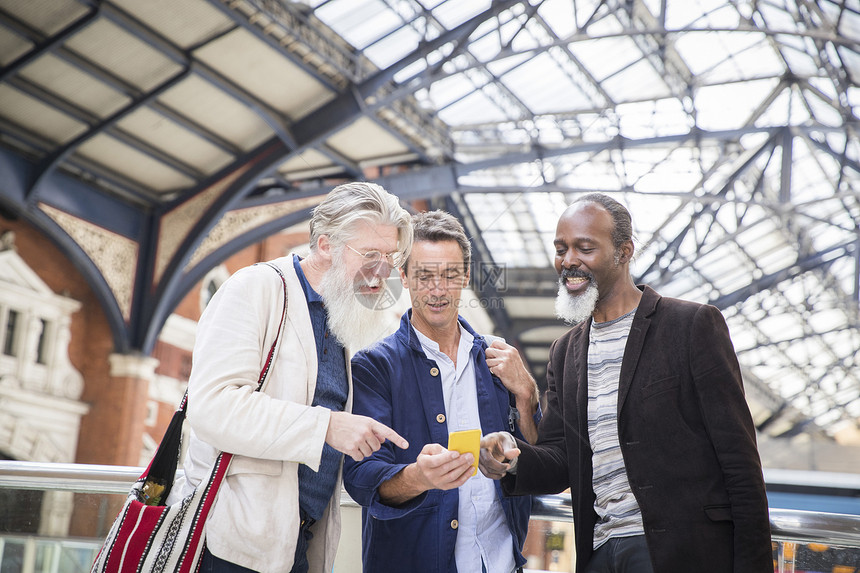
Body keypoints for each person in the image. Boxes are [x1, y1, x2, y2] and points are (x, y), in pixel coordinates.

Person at [479, 193, 773, 573]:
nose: (569, 261)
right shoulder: (565, 352)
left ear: (624, 251)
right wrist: (510, 455)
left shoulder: (691, 326)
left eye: (585, 247)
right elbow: (560, 459)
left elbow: (740, 462)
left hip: (682, 553)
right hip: (600, 551)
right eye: (561, 249)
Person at [167, 182, 414, 573]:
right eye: (370, 254)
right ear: (327, 245)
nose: (382, 271)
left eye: (390, 256)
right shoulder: (254, 289)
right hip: (231, 545)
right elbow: (212, 406)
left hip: (298, 541)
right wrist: (327, 426)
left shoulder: (345, 314)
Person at [342, 210, 541, 573]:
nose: (437, 290)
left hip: (499, 563)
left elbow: (542, 463)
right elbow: (360, 477)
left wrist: (527, 397)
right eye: (424, 276)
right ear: (403, 276)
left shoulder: (499, 361)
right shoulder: (374, 366)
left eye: (449, 275)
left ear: (465, 276)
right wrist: (419, 478)